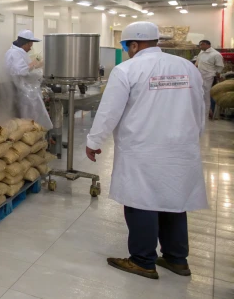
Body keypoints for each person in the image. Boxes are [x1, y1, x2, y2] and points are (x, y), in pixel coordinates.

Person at [85, 22, 207, 280]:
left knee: (141, 201)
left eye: (128, 46)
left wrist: (94, 141)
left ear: (135, 44)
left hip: (142, 148)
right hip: (179, 147)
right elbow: (200, 105)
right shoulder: (187, 67)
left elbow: (109, 112)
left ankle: (143, 260)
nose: (129, 51)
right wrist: (195, 135)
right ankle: (176, 259)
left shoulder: (127, 69)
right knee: (174, 201)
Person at [5, 30, 53, 130]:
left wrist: (36, 65)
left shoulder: (18, 52)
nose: (30, 48)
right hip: (24, 92)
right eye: (30, 45)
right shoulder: (15, 53)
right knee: (30, 120)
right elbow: (22, 71)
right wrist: (34, 64)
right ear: (25, 43)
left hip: (26, 90)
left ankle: (37, 133)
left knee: (34, 118)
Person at [195, 39, 224, 118]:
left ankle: (206, 113)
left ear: (208, 45)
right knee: (200, 93)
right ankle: (200, 111)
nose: (200, 46)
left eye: (202, 45)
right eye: (200, 45)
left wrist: (217, 75)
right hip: (200, 75)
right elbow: (198, 62)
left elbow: (219, 67)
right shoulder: (201, 52)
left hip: (209, 76)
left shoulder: (216, 54)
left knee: (207, 95)